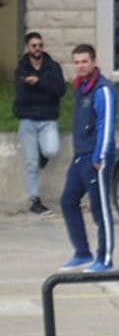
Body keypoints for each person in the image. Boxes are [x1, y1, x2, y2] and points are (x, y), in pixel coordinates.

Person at [59, 43, 116, 273]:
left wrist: (100, 155)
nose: (80, 66)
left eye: (84, 61)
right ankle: (82, 252)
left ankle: (105, 258)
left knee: (100, 208)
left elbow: (106, 123)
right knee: (67, 201)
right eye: (76, 62)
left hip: (96, 157)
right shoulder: (80, 88)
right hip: (80, 156)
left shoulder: (102, 89)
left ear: (93, 62)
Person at [13, 31, 65, 215]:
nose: (38, 49)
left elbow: (60, 90)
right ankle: (34, 199)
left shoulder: (53, 67)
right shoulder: (22, 68)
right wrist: (45, 90)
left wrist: (39, 82)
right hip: (27, 120)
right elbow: (22, 95)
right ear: (28, 47)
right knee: (31, 163)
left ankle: (42, 156)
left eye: (40, 45)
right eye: (34, 46)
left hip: (48, 119)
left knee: (51, 150)